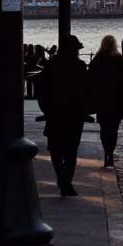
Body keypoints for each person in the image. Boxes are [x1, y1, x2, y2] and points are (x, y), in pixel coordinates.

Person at [36, 35, 91, 197]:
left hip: (55, 113)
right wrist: (86, 109)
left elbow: (42, 91)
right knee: (71, 150)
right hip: (74, 113)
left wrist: (46, 110)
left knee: (55, 148)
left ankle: (61, 174)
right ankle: (66, 181)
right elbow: (88, 90)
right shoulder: (80, 66)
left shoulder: (51, 66)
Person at [90, 34, 123, 167]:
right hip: (118, 100)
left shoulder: (97, 60)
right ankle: (111, 152)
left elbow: (90, 81)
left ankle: (107, 151)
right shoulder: (120, 60)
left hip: (102, 100)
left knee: (104, 128)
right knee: (114, 129)